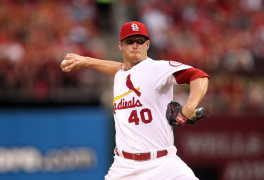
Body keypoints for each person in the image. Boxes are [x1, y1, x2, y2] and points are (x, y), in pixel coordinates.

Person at [60, 21, 209, 180]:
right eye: (129, 42)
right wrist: (88, 61)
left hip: (163, 164)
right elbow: (120, 69)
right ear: (120, 46)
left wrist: (190, 106)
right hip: (123, 166)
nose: (135, 45)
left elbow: (198, 76)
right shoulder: (122, 74)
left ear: (147, 44)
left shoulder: (157, 69)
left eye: (140, 41)